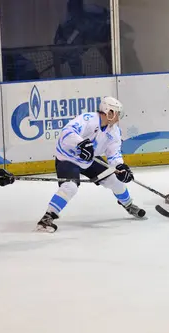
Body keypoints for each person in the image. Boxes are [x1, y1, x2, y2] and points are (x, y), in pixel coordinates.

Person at [36, 96, 144, 233]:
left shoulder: (114, 131)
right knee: (70, 187)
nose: (118, 118)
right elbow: (66, 132)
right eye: (117, 113)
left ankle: (129, 205)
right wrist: (80, 143)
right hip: (68, 158)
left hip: (91, 160)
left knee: (114, 179)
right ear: (109, 112)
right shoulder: (88, 119)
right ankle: (47, 217)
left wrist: (120, 166)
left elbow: (114, 153)